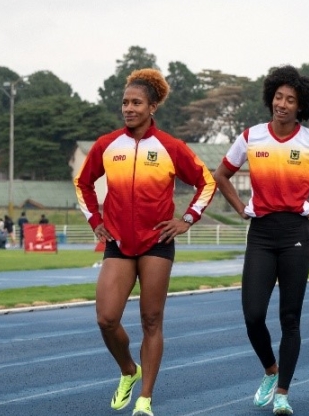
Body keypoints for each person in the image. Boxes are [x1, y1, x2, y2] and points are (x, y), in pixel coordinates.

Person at [213, 65, 309, 415]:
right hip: (261, 234)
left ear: (300, 106)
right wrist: (239, 208)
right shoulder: (251, 137)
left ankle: (282, 393)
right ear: (270, 99)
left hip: (296, 234)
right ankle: (269, 369)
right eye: (278, 97)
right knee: (252, 315)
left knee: (290, 319)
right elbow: (221, 175)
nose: (282, 103)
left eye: (290, 100)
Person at [74, 68, 216, 416]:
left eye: (136, 102)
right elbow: (83, 183)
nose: (129, 108)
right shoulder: (108, 145)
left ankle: (145, 399)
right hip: (119, 244)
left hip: (157, 243)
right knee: (106, 319)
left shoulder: (170, 147)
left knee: (151, 320)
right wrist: (96, 220)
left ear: (152, 107)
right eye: (125, 102)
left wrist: (186, 219)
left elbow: (206, 182)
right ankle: (128, 370)